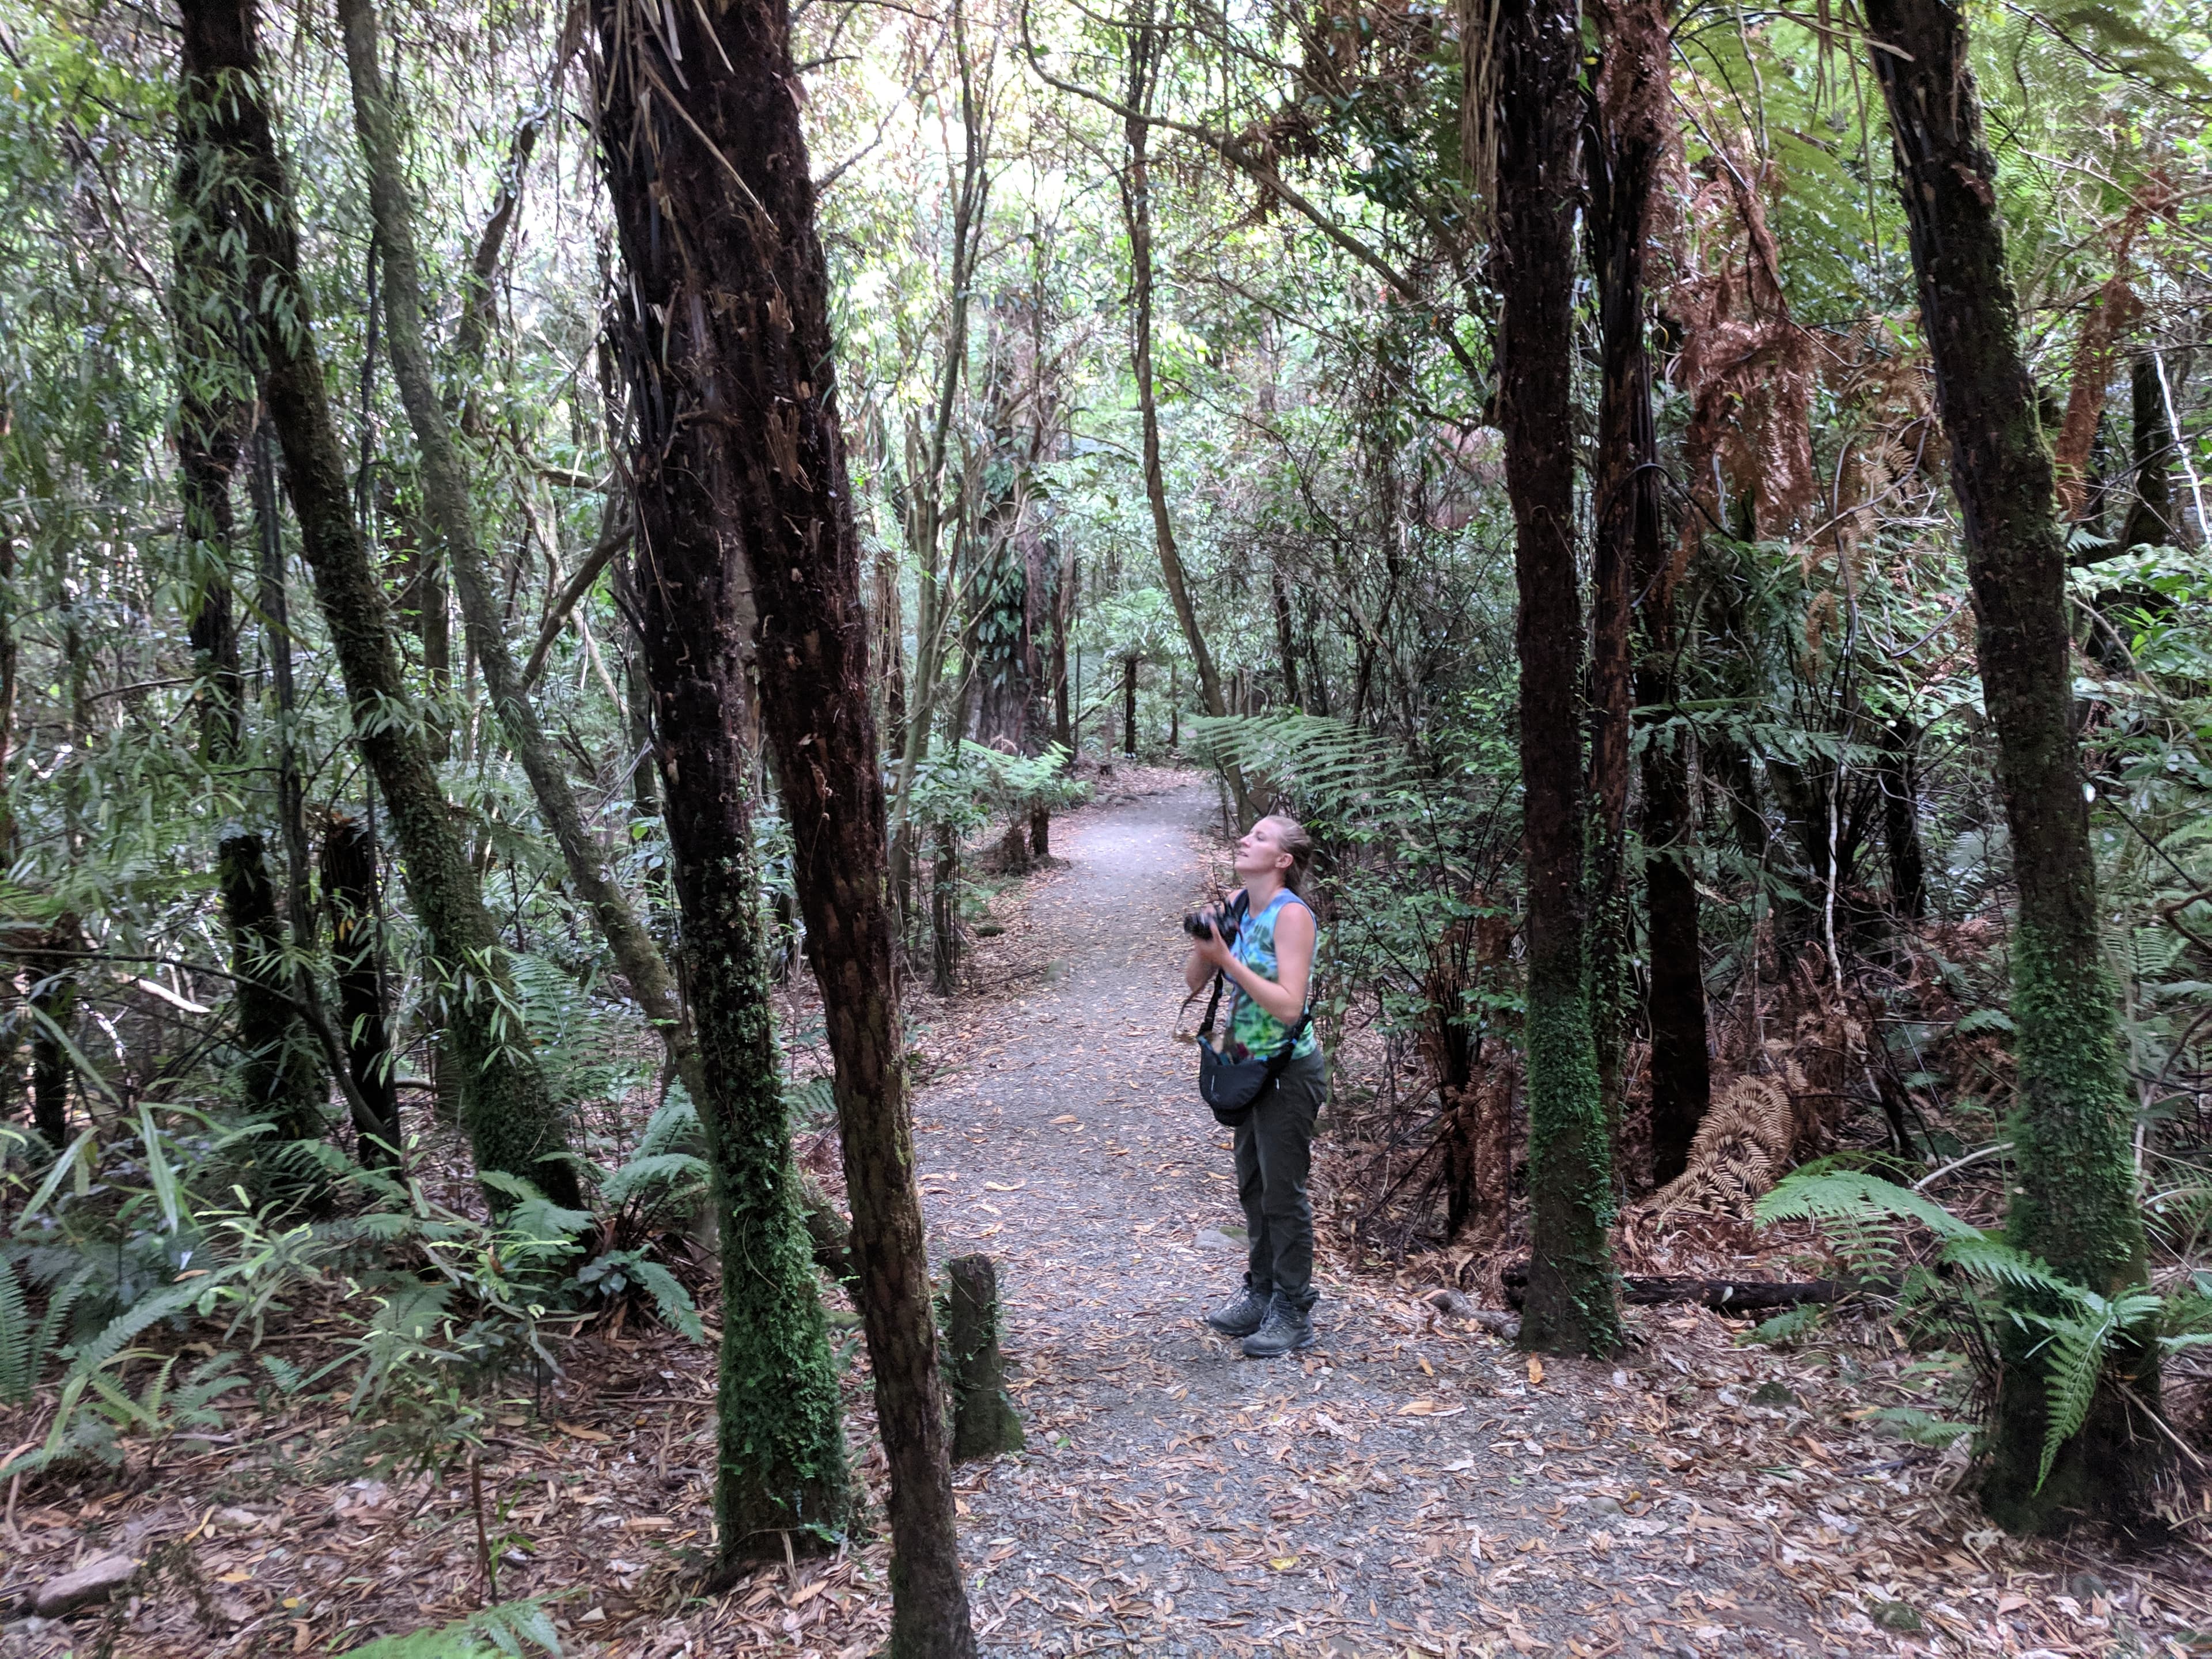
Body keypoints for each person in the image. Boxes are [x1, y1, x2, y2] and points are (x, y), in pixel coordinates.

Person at [1183, 813, 1326, 1357]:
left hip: (1287, 1071)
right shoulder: (1242, 906)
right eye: (1248, 834)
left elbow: (1290, 1006)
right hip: (1247, 1063)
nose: (1245, 839)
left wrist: (1228, 961)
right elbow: (1194, 983)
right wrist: (1209, 942)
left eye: (1260, 838)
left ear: (1283, 860)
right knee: (1254, 1187)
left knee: (1283, 1194)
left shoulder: (1292, 916)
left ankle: (1294, 1307)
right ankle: (1261, 1290)